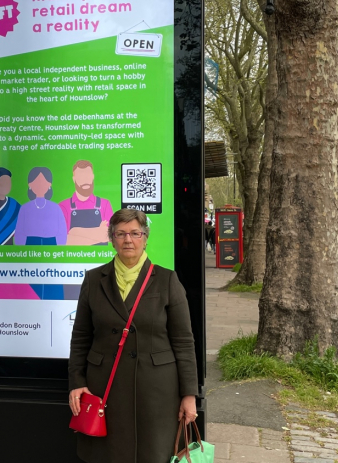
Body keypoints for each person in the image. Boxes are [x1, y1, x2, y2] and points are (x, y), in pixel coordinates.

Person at [68, 209, 198, 463]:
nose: (128, 240)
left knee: (152, 454)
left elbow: (183, 342)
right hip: (104, 387)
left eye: (135, 233)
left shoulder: (167, 280)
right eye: (121, 234)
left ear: (145, 237)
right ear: (111, 238)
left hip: (155, 392)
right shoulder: (94, 280)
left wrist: (189, 395)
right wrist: (76, 381)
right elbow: (81, 336)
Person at [59, 160, 114, 246]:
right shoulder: (63, 206)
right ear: (74, 179)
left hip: (99, 257)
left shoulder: (105, 204)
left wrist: (75, 231)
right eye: (81, 177)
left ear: (93, 177)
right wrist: (98, 232)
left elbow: (110, 236)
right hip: (72, 258)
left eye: (88, 176)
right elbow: (64, 241)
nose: (85, 180)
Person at [14, 166, 67, 246]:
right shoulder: (25, 208)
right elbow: (19, 233)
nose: (40, 185)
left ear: (49, 184)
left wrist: (58, 250)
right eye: (36, 182)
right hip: (30, 247)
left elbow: (62, 232)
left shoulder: (55, 208)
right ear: (30, 185)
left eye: (43, 181)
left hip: (51, 246)